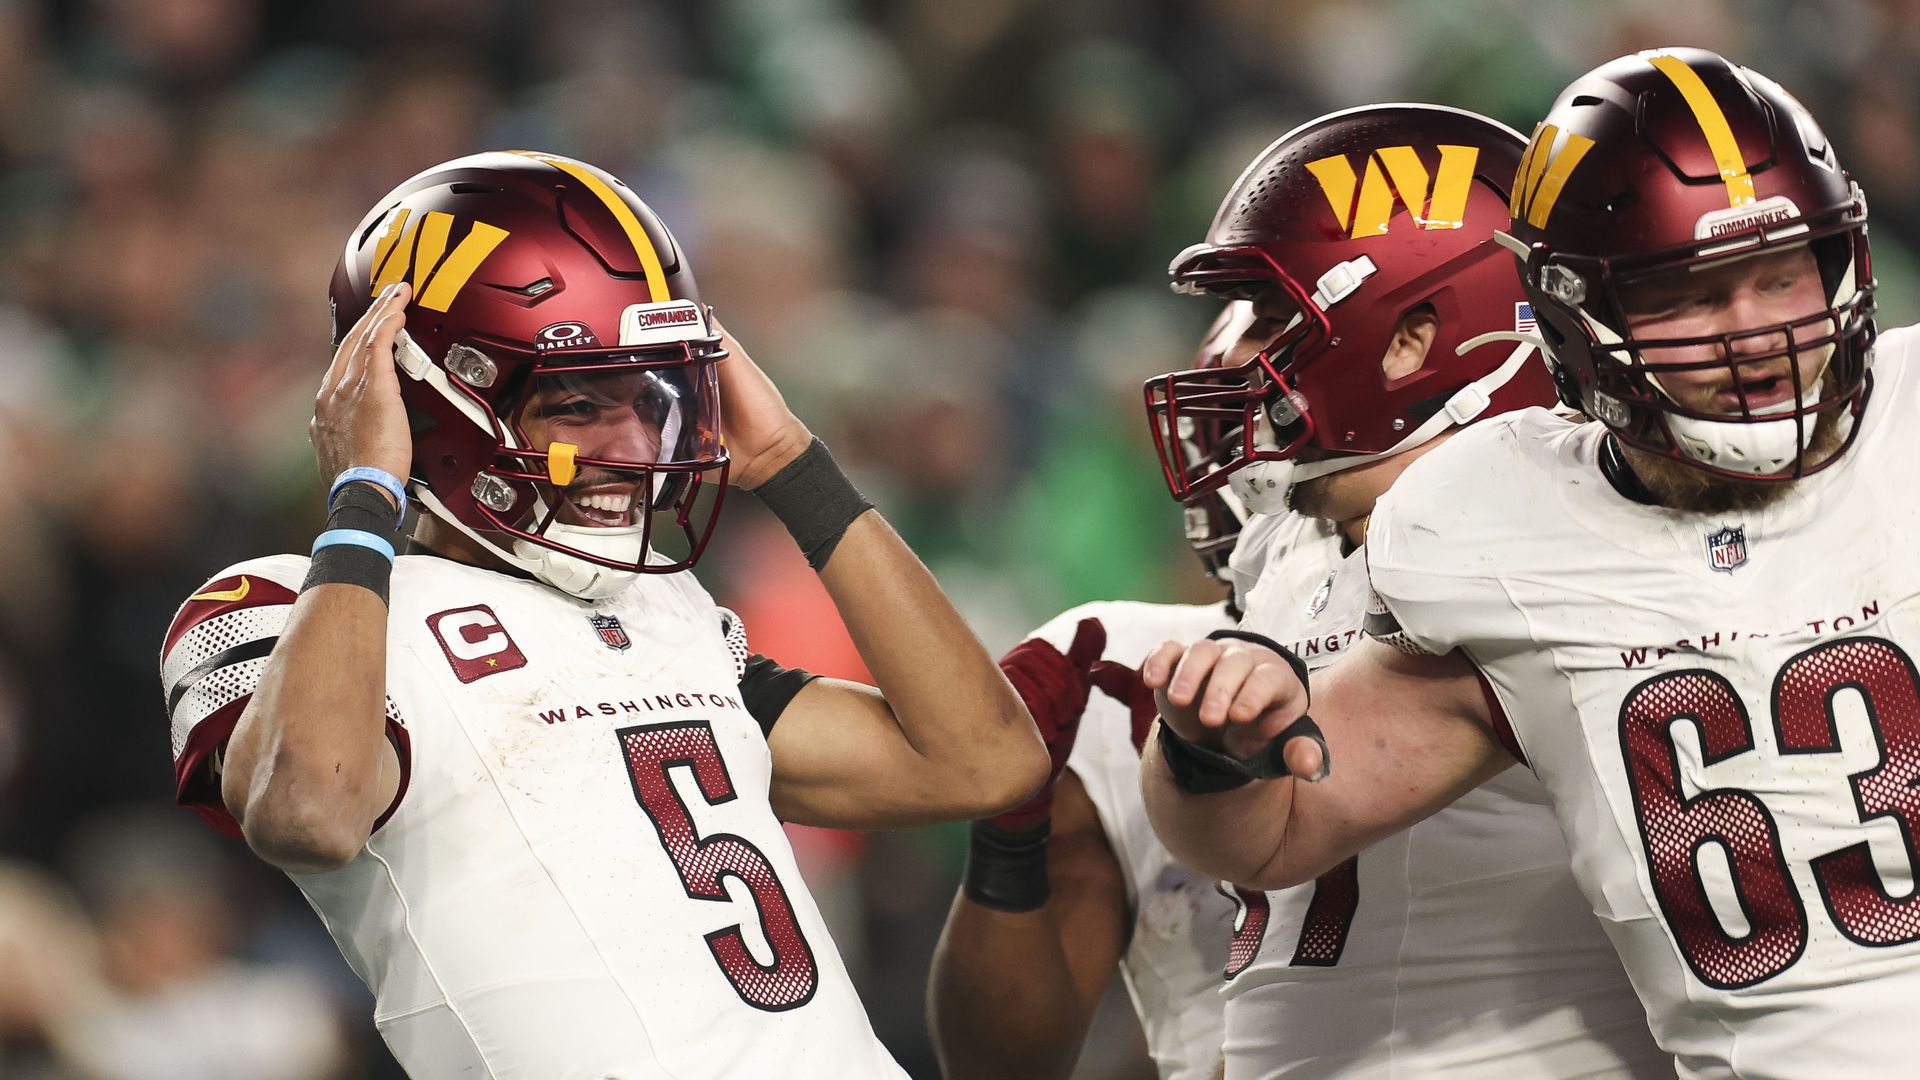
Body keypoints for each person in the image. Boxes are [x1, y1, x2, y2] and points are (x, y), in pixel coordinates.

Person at [158, 150, 1045, 1079]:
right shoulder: (274, 605)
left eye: (648, 399)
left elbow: (982, 759)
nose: (634, 445)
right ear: (431, 402)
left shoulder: (668, 608)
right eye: (580, 403)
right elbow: (311, 810)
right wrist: (366, 495)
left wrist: (791, 463)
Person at [1140, 49, 1899, 1077]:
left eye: (1783, 275)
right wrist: (1210, 745)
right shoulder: (1504, 526)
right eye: (1692, 295)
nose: (1756, 334)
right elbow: (1271, 838)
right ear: (1578, 316)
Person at [1142, 103, 1664, 1078]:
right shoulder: (1303, 552)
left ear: (1414, 334)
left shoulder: (1545, 535)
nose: (1234, 352)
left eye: (1277, 318)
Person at [927, 302, 1345, 1080]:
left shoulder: (1524, 619)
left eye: (1274, 417)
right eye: (1229, 425)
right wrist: (1009, 836)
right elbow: (999, 1067)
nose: (1239, 465)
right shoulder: (1123, 665)